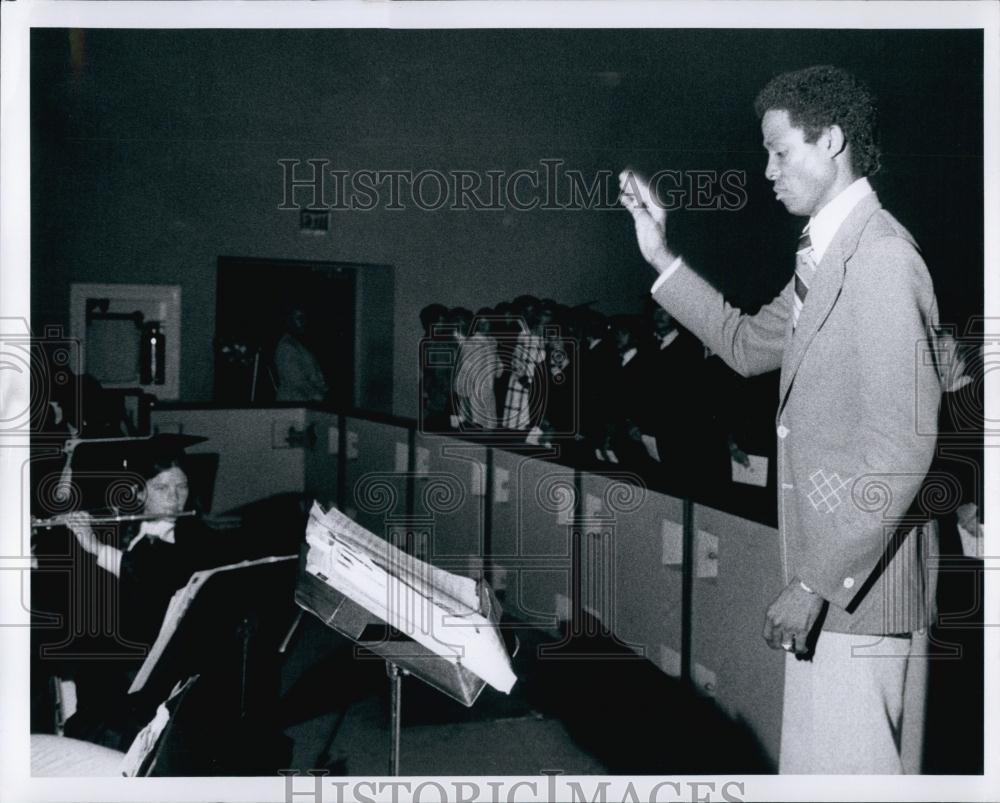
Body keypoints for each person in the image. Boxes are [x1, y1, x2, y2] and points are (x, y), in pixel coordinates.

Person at [620, 65, 942, 774]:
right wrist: (659, 254)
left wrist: (814, 582)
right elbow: (740, 344)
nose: (766, 171)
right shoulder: (824, 258)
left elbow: (901, 446)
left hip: (856, 591)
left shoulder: (881, 258)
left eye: (779, 151)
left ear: (830, 140)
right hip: (837, 584)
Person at [272, 305, 329, 402]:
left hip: (306, 404)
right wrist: (319, 396)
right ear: (289, 320)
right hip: (293, 405)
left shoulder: (300, 346)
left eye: (304, 318)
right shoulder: (286, 347)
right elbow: (296, 381)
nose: (303, 322)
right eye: (299, 318)